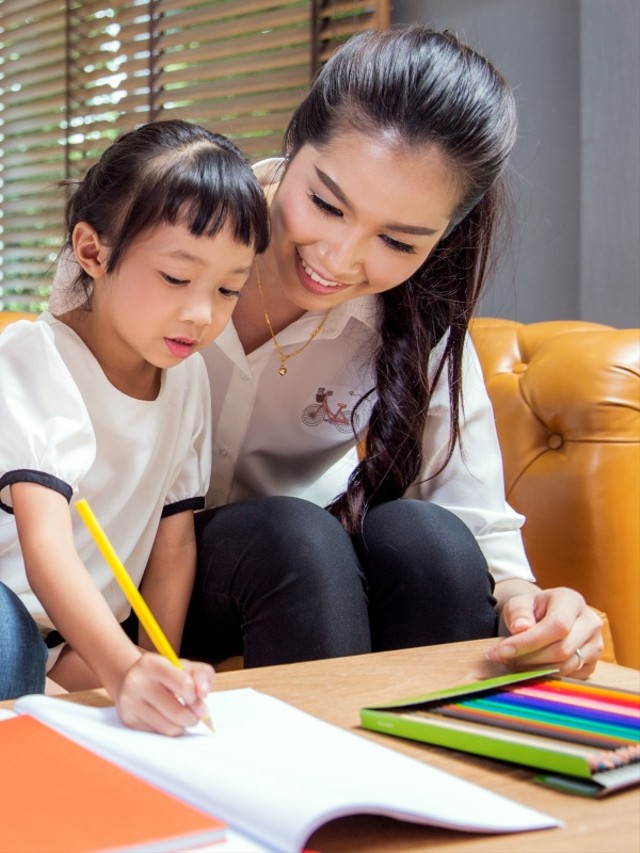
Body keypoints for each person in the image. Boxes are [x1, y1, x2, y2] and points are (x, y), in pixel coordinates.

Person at [52, 26, 604, 679]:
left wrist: (533, 607)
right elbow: (43, 440)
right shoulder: (152, 239)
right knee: (293, 539)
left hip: (313, 578)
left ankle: (435, 770)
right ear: (294, 143)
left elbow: (472, 517)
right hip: (144, 570)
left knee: (431, 543)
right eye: (324, 203)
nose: (339, 259)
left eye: (398, 242)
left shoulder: (413, 316)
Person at [0, 119, 270, 729]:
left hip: (81, 647)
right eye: (176, 278)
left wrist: (154, 664)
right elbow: (45, 547)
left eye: (229, 288)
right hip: (14, 619)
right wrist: (123, 669)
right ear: (94, 252)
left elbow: (173, 542)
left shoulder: (187, 378)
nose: (201, 314)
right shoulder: (33, 358)